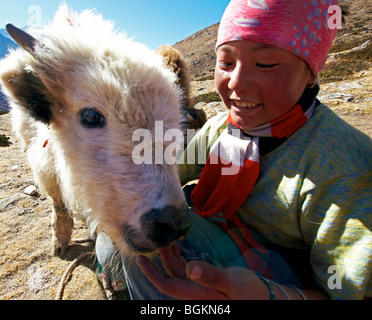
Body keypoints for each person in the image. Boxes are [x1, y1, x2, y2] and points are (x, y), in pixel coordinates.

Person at [96, 0, 371, 300]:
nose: (237, 83)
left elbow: (344, 293)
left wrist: (266, 295)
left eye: (265, 64)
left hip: (280, 284)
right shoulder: (220, 128)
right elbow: (171, 170)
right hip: (224, 236)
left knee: (152, 254)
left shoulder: (345, 168)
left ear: (311, 73)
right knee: (117, 230)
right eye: (226, 63)